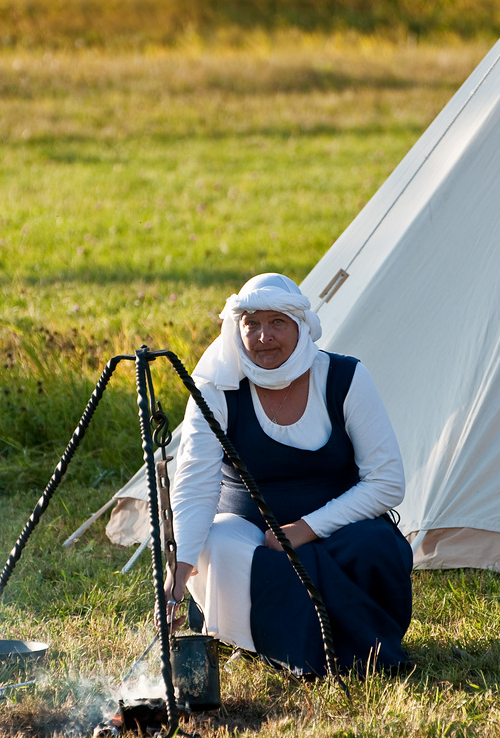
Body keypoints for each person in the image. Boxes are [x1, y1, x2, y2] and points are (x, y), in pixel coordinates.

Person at [163, 273, 413, 677]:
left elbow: (387, 482)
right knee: (220, 544)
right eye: (252, 324)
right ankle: (278, 646)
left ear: (300, 325)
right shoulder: (216, 387)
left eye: (277, 322)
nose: (264, 337)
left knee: (375, 546)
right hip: (249, 534)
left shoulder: (344, 379)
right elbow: (195, 489)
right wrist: (178, 577)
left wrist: (305, 529)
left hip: (338, 528)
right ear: (236, 328)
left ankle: (358, 651)